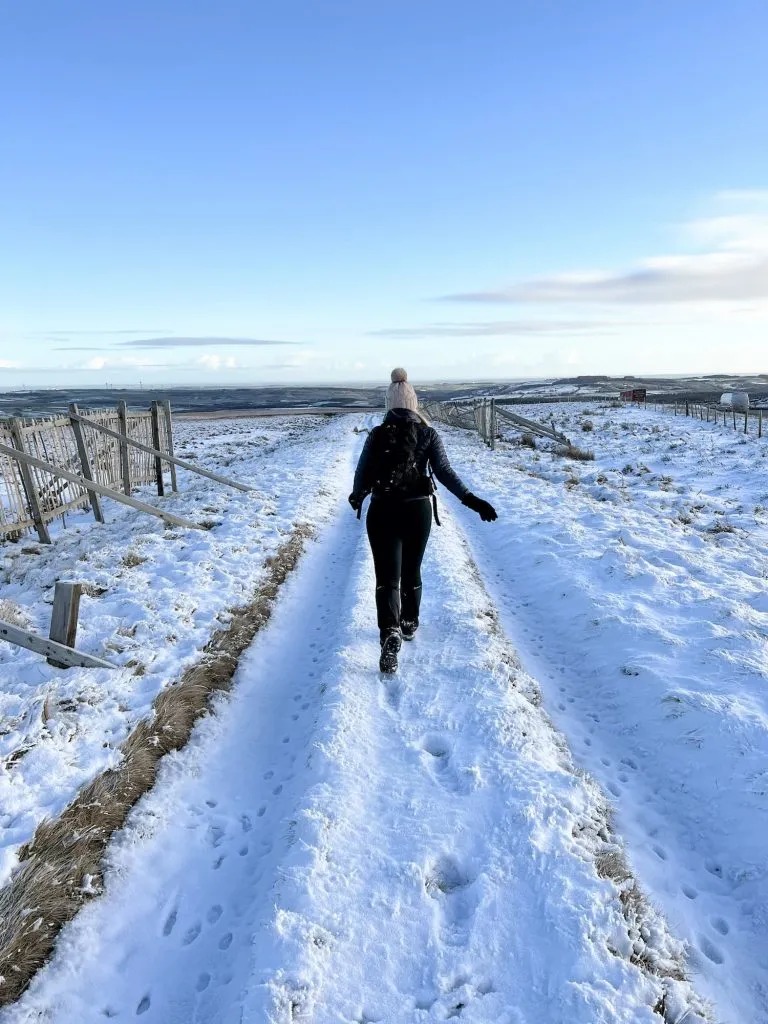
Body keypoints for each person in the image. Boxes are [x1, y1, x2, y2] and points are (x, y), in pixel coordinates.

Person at [349, 368, 497, 673]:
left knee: (387, 577)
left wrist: (358, 496)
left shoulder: (376, 435)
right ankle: (409, 622)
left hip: (383, 511)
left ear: (389, 404)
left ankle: (389, 631)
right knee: (411, 569)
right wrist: (472, 500)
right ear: (414, 404)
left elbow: (362, 473)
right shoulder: (428, 434)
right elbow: (445, 472)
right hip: (417, 511)